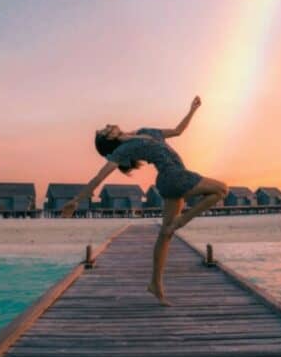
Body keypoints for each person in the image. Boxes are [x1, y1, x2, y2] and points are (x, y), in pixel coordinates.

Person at [61, 96, 227, 305]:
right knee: (222, 189)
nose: (108, 125)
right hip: (174, 177)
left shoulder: (145, 131)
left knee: (165, 235)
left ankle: (155, 284)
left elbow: (177, 131)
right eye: (105, 130)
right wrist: (76, 200)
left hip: (171, 181)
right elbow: (99, 177)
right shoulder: (122, 151)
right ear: (110, 138)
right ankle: (181, 222)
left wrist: (192, 110)